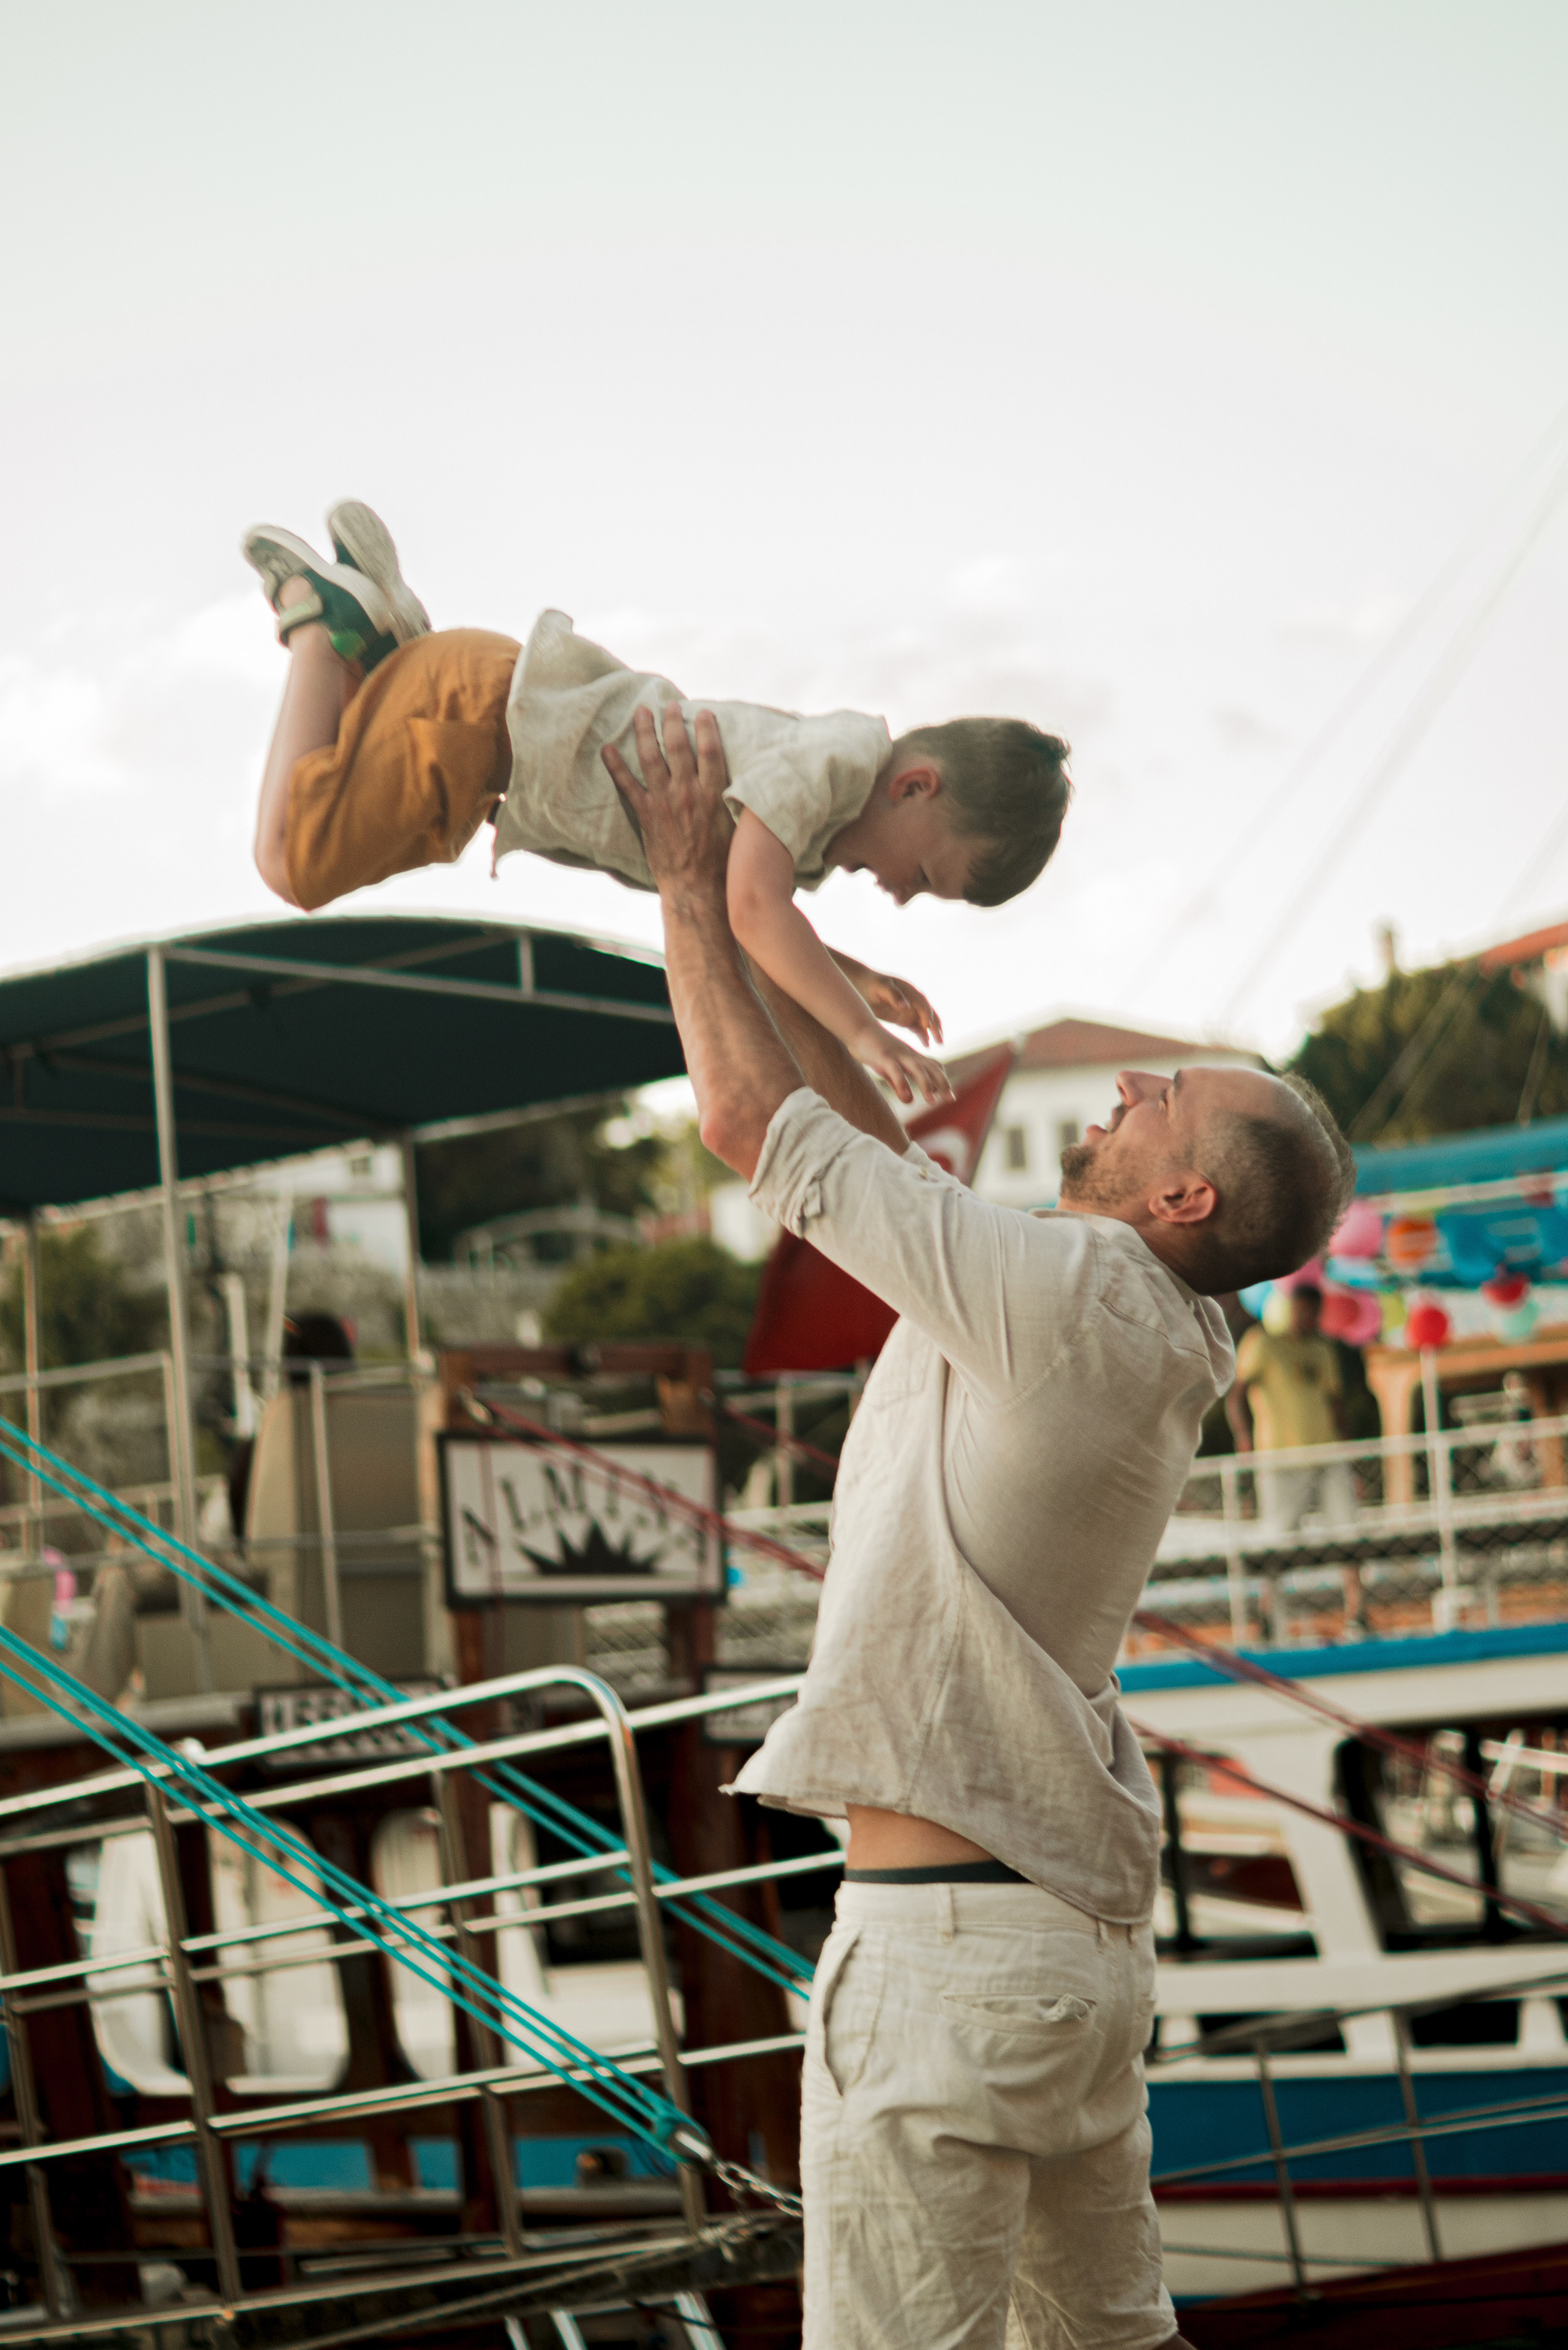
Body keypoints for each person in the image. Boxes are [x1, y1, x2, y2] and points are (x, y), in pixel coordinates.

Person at [600, 699, 1355, 2350]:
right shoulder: (1139, 1328)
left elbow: (752, 1132)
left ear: (1182, 1199)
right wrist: (803, 966)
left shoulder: (1072, 1296)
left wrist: (681, 881)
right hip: (1059, 1962)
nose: (1130, 1080)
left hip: (948, 1961)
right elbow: (881, 1171)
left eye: (1164, 1097)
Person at [241, 503, 1071, 1107]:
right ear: (914, 786)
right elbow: (751, 910)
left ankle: (379, 644)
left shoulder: (810, 818)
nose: (900, 894)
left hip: (483, 725)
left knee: (355, 821)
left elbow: (741, 911)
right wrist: (861, 1032)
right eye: (922, 874)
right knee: (291, 862)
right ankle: (321, 621)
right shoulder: (836, 759)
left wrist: (853, 977)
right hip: (476, 713)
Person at [1227, 1282, 1355, 1532]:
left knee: (1348, 1527)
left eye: (1315, 1311)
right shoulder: (1263, 1343)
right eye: (1304, 1310)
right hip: (1281, 1457)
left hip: (1327, 1453)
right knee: (1281, 1532)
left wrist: (1349, 1450)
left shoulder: (1323, 1350)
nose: (1309, 1317)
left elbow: (1335, 1404)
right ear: (1292, 1309)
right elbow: (1237, 1397)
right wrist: (1243, 1436)